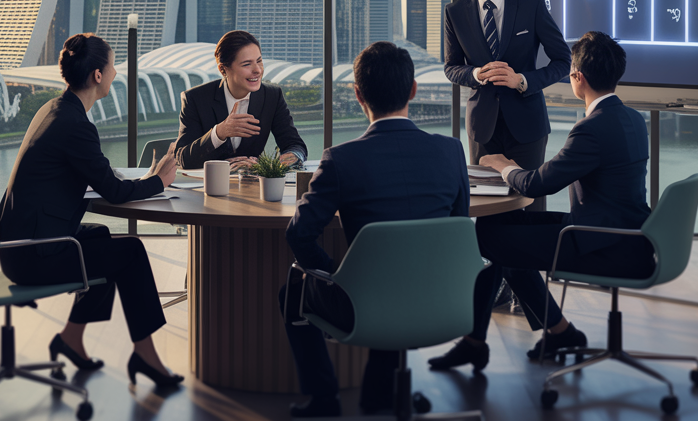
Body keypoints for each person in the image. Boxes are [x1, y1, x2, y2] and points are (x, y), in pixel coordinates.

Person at [428, 31, 655, 371]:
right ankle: (553, 333)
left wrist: (502, 165)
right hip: (627, 235)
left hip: (602, 245)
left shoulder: (591, 128)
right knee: (505, 230)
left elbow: (536, 185)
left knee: (489, 237)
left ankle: (481, 342)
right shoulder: (634, 118)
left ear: (576, 77)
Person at [280, 42, 469, 418]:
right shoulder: (451, 151)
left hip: (366, 307)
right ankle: (380, 393)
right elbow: (458, 228)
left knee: (293, 291)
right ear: (413, 90)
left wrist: (338, 276)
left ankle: (325, 400)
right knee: (398, 277)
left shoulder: (341, 159)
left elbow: (298, 234)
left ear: (357, 94)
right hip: (444, 301)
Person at [0, 33, 184, 391]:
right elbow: (113, 191)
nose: (115, 73)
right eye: (112, 67)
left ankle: (72, 338)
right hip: (31, 256)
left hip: (17, 245)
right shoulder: (76, 125)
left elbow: (88, 174)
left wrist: (139, 180)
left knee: (99, 237)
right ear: (97, 75)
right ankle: (146, 355)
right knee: (130, 251)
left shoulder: (54, 109)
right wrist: (159, 182)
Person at [443, 0, 571, 202]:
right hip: (482, 129)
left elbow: (563, 60)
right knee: (486, 206)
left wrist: (522, 80)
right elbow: (451, 67)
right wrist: (476, 74)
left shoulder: (531, 5)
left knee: (530, 204)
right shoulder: (454, 12)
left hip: (528, 127)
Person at [175, 30, 308, 170]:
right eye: (246, 64)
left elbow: (295, 146)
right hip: (208, 181)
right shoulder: (195, 98)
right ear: (223, 69)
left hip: (253, 180)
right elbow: (183, 158)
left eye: (259, 61)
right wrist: (219, 132)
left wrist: (274, 165)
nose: (258, 70)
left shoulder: (272, 96)